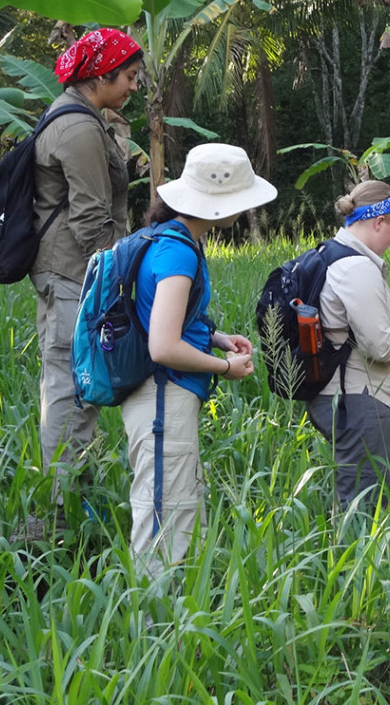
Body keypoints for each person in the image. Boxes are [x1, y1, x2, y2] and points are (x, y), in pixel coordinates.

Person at [123, 143, 276, 579]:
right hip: (161, 400)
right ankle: (153, 634)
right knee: (165, 524)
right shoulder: (178, 252)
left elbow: (162, 318)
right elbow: (163, 346)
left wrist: (217, 338)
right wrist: (225, 368)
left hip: (163, 398)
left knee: (179, 513)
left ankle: (177, 631)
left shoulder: (173, 238)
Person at [31, 28, 144, 500]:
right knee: (71, 385)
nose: (135, 86)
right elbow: (92, 222)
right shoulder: (78, 128)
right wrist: (135, 268)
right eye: (131, 76)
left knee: (76, 385)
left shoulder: (80, 115)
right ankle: (60, 511)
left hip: (71, 272)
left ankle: (71, 497)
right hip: (73, 274)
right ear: (103, 75)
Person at [306, 180, 390, 511]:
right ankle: (360, 564)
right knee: (366, 508)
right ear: (379, 222)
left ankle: (340, 559)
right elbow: (381, 347)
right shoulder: (357, 267)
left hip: (334, 394)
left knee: (352, 498)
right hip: (359, 398)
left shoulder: (329, 253)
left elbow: (344, 325)